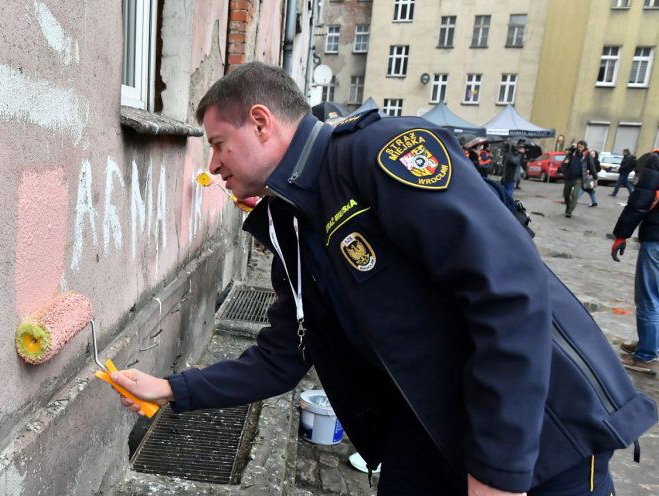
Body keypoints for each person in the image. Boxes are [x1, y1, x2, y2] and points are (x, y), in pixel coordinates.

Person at [109, 63, 655, 496]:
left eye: (217, 142)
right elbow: (281, 357)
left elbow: (510, 294)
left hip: (540, 441)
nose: (213, 162)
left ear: (260, 122)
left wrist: (501, 471)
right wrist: (171, 390)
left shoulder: (380, 153)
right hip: (427, 439)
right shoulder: (294, 228)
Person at [612, 152, 659, 374]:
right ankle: (648, 344)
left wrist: (622, 234)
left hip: (657, 240)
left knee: (649, 297)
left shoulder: (656, 161)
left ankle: (645, 355)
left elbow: (640, 202)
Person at [559, 141, 596, 217]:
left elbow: (592, 167)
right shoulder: (571, 154)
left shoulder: (587, 156)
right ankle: (568, 206)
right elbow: (564, 164)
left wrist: (595, 177)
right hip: (569, 177)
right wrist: (564, 171)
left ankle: (569, 211)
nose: (580, 148)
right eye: (578, 147)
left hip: (579, 178)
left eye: (581, 147)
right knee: (566, 194)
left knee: (574, 194)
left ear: (585, 147)